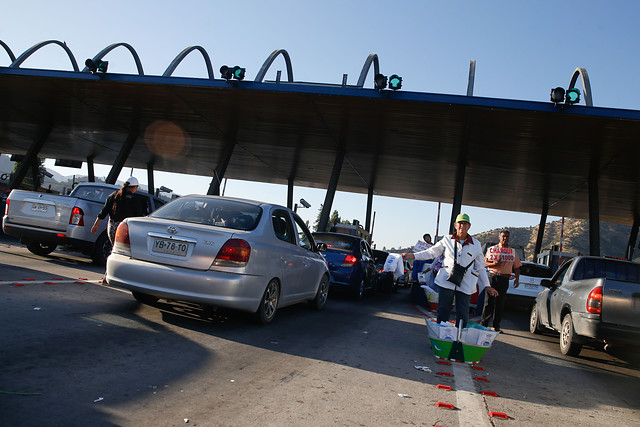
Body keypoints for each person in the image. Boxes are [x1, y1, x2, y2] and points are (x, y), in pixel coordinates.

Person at [403, 213, 498, 328]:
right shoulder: (447, 240)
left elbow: (481, 267)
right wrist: (412, 256)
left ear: (469, 226)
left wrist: (487, 285)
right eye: (460, 223)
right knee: (443, 310)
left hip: (465, 283)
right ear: (455, 225)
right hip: (446, 281)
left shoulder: (476, 244)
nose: (463, 226)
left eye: (465, 223)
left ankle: (458, 340)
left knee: (463, 314)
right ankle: (440, 336)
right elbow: (431, 252)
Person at [480, 229, 522, 332]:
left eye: (507, 237)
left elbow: (516, 267)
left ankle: (496, 326)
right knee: (488, 302)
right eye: (503, 236)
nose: (505, 238)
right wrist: (495, 264)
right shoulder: (492, 250)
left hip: (504, 279)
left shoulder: (512, 252)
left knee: (500, 303)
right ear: (499, 237)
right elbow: (485, 263)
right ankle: (483, 325)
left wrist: (517, 278)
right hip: (493, 276)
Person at [91, 177, 144, 245]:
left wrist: (96, 224)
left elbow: (104, 211)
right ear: (135, 187)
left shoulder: (114, 195)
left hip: (112, 228)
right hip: (125, 230)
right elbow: (138, 217)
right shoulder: (135, 199)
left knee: (114, 247)